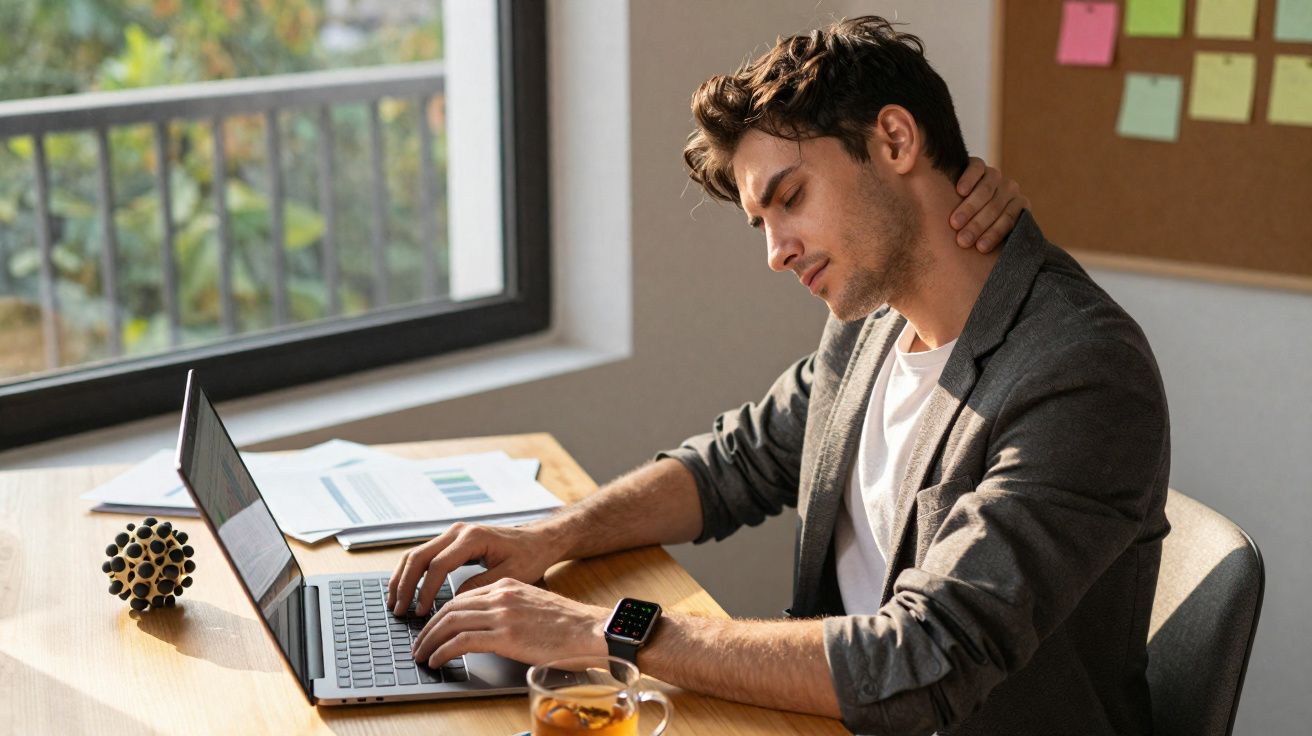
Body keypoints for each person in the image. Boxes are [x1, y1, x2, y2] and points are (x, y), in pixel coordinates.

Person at [390, 15, 1169, 736]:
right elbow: (737, 463)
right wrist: (550, 537)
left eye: (790, 197)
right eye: (762, 223)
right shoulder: (868, 323)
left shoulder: (1081, 374)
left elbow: (927, 656)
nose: (777, 252)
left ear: (896, 140)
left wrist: (601, 631)